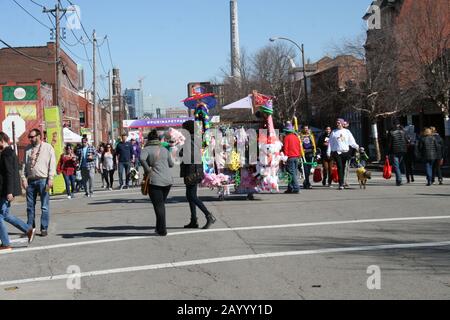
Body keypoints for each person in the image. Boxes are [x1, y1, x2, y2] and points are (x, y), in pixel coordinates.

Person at [0, 132, 35, 251]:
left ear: (1, 141)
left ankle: (5, 243)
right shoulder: (9, 152)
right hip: (6, 190)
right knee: (6, 215)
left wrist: (9, 191)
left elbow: (9, 174)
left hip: (5, 190)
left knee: (0, 216)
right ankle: (28, 230)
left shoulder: (6, 154)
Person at [180, 120, 216, 229]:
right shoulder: (195, 139)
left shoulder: (190, 140)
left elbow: (189, 155)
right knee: (190, 195)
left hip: (191, 171)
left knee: (192, 196)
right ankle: (194, 220)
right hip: (195, 170)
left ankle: (209, 216)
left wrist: (181, 152)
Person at [22, 129, 57, 237]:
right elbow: (24, 165)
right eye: (29, 137)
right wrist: (23, 178)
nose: (31, 139)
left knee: (44, 206)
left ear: (38, 136)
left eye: (32, 137)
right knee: (29, 206)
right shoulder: (28, 149)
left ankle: (44, 228)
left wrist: (51, 178)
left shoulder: (47, 147)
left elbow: (52, 164)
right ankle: (30, 228)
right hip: (31, 181)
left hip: (44, 180)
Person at [141, 130, 174, 237]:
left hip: (155, 181)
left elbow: (141, 159)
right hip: (168, 181)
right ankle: (158, 227)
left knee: (159, 206)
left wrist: (147, 169)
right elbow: (171, 164)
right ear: (158, 139)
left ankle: (162, 230)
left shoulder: (146, 149)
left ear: (149, 139)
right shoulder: (164, 149)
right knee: (160, 205)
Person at [327, 118, 359, 190]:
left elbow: (351, 141)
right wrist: (328, 152)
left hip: (345, 152)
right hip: (337, 152)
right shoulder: (334, 132)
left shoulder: (347, 132)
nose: (337, 124)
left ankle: (342, 182)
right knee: (340, 167)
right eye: (337, 123)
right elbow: (330, 143)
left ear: (342, 123)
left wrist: (356, 146)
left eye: (339, 123)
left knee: (343, 167)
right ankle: (340, 184)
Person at [282, 122, 302, 194]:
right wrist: (299, 155)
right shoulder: (296, 137)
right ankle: (290, 188)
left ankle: (296, 188)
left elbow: (285, 148)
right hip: (296, 157)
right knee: (292, 173)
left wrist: (285, 158)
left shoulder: (286, 138)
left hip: (290, 157)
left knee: (291, 173)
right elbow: (299, 147)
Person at [388, 119, 409, 186]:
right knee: (399, 165)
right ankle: (400, 178)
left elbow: (389, 144)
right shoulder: (404, 131)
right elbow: (407, 140)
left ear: (394, 124)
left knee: (396, 166)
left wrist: (387, 152)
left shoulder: (391, 132)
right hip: (403, 150)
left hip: (395, 151)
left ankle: (399, 179)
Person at [299, 125, 317, 189]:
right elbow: (300, 144)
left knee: (309, 169)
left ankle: (306, 181)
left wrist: (314, 151)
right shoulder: (300, 135)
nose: (306, 130)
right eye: (305, 128)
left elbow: (313, 144)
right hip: (304, 154)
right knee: (305, 169)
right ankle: (307, 182)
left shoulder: (311, 135)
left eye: (307, 128)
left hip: (310, 153)